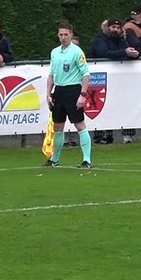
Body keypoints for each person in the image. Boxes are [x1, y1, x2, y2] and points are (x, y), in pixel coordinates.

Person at [44, 22, 94, 169]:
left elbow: (86, 75)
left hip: (73, 90)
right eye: (61, 34)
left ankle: (87, 159)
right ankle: (55, 159)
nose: (63, 37)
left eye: (66, 34)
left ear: (71, 34)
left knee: (80, 125)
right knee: (58, 127)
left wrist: (82, 95)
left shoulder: (77, 52)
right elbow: (51, 75)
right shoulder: (54, 52)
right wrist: (48, 94)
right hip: (59, 91)